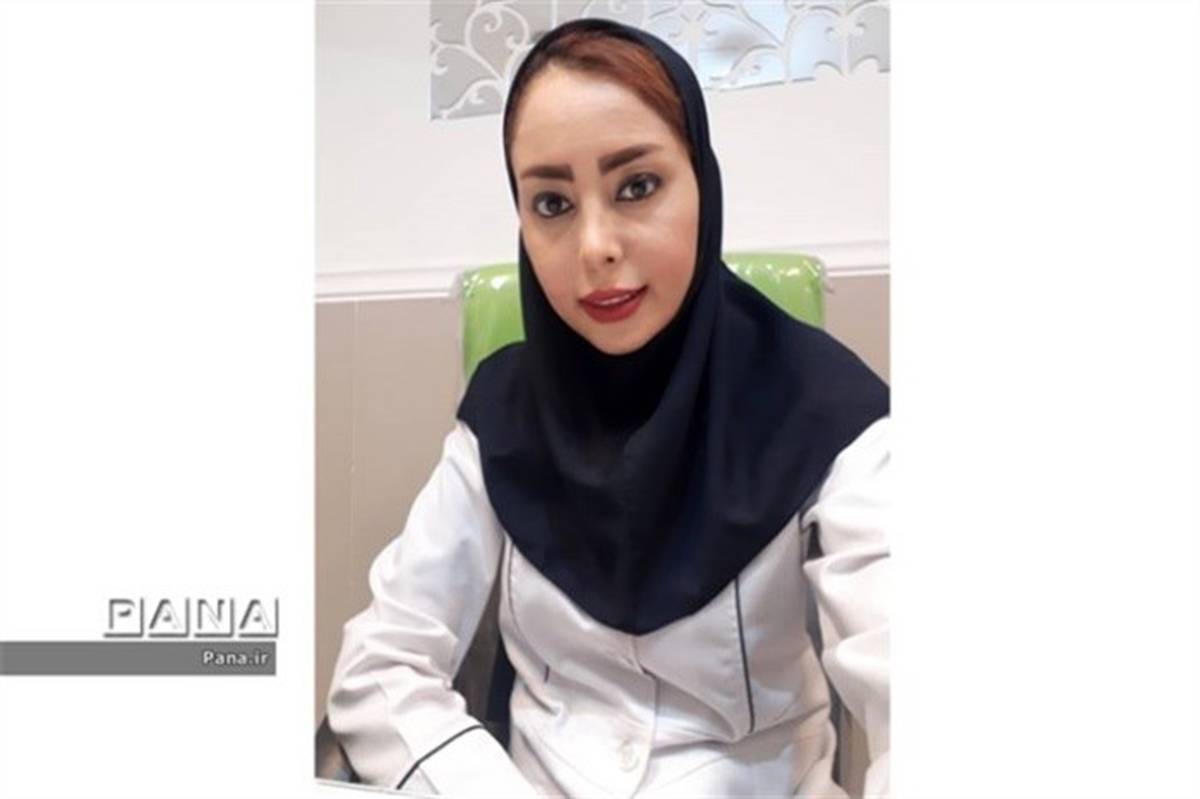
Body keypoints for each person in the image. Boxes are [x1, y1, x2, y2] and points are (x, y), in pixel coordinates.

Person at [327, 17, 890, 798]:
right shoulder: (502, 414)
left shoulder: (825, 409)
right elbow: (383, 662)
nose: (594, 246)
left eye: (637, 186)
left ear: (702, 184)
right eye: (552, 202)